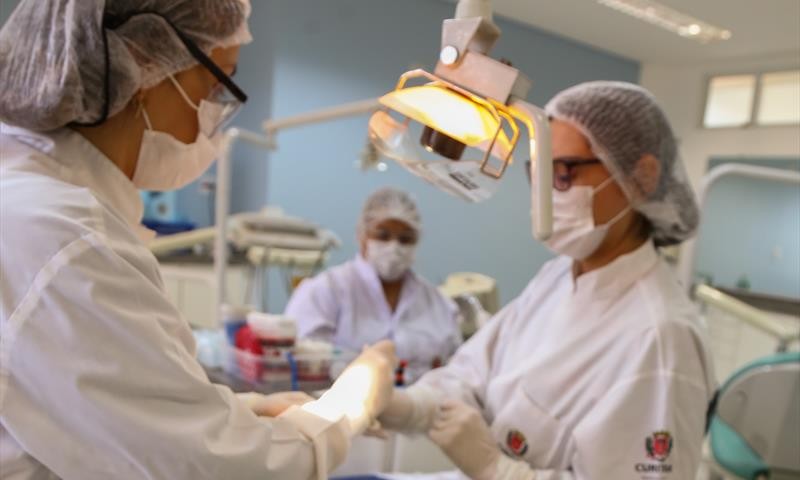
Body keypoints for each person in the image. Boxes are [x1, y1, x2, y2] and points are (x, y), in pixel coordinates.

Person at [0, 1, 396, 479]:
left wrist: (236, 411)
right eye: (213, 89)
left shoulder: (33, 200)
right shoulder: (68, 240)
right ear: (144, 63)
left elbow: (84, 409)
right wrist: (349, 407)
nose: (209, 125)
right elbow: (217, 470)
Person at [379, 81, 716, 479]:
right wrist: (402, 406)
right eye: (539, 172)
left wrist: (498, 470)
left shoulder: (660, 338)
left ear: (642, 177)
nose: (547, 194)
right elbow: (471, 375)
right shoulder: (557, 276)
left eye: (564, 172)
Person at [286, 187, 462, 384]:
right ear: (362, 236)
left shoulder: (438, 303)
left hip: (419, 402)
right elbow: (301, 361)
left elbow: (458, 371)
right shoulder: (325, 291)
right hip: (339, 401)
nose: (394, 247)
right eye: (383, 235)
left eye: (405, 239)